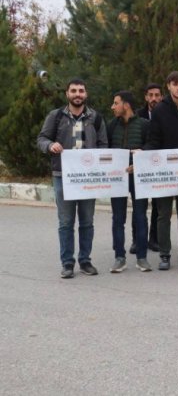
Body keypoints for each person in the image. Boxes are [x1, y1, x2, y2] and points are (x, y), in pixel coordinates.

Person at [37, 79, 108, 278]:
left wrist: (99, 162)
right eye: (74, 91)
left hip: (88, 179)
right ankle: (67, 263)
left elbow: (104, 145)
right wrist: (50, 146)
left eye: (81, 91)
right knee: (66, 222)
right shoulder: (56, 116)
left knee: (87, 222)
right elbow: (42, 139)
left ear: (86, 94)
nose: (78, 94)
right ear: (67, 93)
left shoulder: (96, 117)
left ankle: (85, 261)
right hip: (62, 176)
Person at [143, 71, 178, 271]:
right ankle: (165, 255)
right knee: (163, 214)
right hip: (165, 171)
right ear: (168, 86)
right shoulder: (160, 110)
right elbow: (153, 139)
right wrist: (144, 156)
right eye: (175, 84)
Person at [107, 91, 152, 273]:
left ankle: (142, 258)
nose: (112, 106)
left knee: (140, 216)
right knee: (118, 218)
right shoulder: (111, 126)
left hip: (138, 178)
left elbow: (152, 146)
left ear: (126, 105)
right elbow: (106, 148)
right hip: (118, 178)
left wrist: (139, 159)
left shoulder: (144, 125)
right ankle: (119, 257)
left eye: (115, 103)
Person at [138, 83, 163, 253]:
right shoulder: (138, 115)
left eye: (157, 95)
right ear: (146, 97)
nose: (154, 98)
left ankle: (154, 239)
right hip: (140, 164)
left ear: (161, 97)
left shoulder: (164, 114)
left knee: (157, 206)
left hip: (159, 165)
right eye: (150, 95)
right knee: (139, 206)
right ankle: (138, 239)